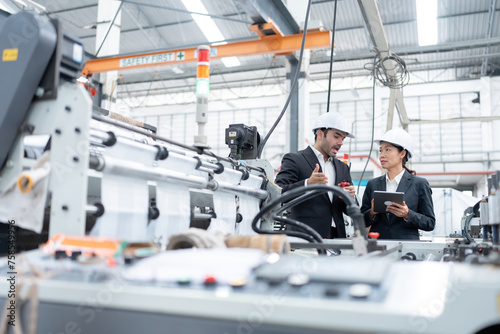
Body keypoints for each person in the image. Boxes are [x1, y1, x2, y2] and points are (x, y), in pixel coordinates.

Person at [275, 112, 356, 239]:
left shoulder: (343, 167)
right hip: (304, 236)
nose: (340, 143)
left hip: (336, 237)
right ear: (320, 134)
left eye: (343, 139)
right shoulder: (295, 159)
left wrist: (349, 197)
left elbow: (349, 210)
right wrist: (307, 184)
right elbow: (278, 193)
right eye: (336, 136)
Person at [361, 128, 435, 240]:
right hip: (377, 248)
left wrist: (408, 214)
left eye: (388, 150)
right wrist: (371, 212)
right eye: (380, 150)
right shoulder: (372, 184)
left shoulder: (419, 184)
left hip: (406, 249)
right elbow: (360, 221)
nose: (382, 155)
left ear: (402, 153)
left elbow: (430, 223)